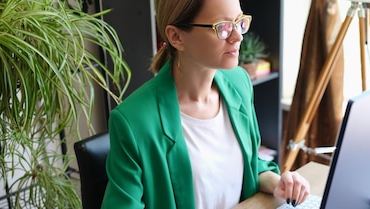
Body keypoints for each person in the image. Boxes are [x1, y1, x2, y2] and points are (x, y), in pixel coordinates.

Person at [101, 0, 310, 208]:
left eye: (239, 22)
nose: (238, 36)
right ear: (176, 36)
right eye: (223, 27)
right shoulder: (133, 121)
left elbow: (250, 163)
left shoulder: (239, 83)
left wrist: (278, 182)